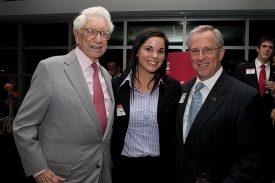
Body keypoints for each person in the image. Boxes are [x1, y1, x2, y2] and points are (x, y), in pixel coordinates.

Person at [13, 6, 115, 183]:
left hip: (102, 174)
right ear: (77, 35)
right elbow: (23, 125)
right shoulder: (51, 69)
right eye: (91, 31)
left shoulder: (106, 75)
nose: (98, 39)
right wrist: (39, 169)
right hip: (63, 177)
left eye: (104, 33)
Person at [174, 25, 264, 183]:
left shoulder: (245, 96)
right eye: (195, 51)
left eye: (208, 49)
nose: (200, 57)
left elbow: (252, 158)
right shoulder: (183, 90)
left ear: (221, 52)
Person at [111, 27, 181, 183]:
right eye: (148, 49)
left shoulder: (173, 88)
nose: (155, 56)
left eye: (160, 51)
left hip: (162, 170)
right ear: (136, 51)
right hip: (125, 169)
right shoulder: (117, 85)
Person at [233, 36, 275, 182]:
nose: (267, 50)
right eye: (264, 46)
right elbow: (235, 97)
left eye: (270, 47)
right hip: (247, 126)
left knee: (267, 170)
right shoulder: (242, 70)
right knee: (246, 166)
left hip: (270, 129)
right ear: (258, 48)